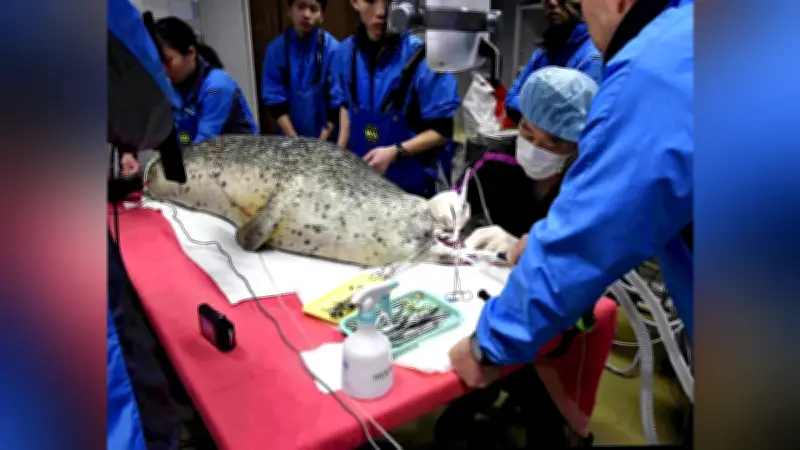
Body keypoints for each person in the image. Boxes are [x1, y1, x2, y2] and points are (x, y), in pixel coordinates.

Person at [448, 0, 693, 394]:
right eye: (527, 133)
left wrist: (488, 347)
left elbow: (587, 244)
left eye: (554, 140)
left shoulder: (656, 72)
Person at [430, 66, 598, 242]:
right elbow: (463, 195)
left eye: (553, 142)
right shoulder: (497, 161)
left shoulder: (588, 185)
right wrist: (447, 203)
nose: (534, 148)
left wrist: (524, 251)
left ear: (579, 144)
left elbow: (591, 256)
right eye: (527, 133)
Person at [332, 0, 461, 199]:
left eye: (390, 1)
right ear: (355, 2)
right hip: (362, 185)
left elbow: (442, 131)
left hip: (411, 191)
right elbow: (346, 106)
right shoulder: (344, 54)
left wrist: (395, 152)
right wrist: (338, 153)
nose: (382, 12)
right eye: (371, 1)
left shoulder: (425, 58)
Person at [156, 17, 258, 148]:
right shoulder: (172, 85)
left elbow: (204, 143)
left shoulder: (217, 85)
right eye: (159, 63)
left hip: (240, 159)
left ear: (191, 53)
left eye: (168, 61)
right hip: (203, 159)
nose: (163, 70)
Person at [505, 0, 603, 125]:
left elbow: (572, 119)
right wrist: (547, 112)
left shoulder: (592, 57)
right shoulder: (543, 53)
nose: (551, 2)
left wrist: (532, 108)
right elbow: (511, 99)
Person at [262, 0, 341, 140]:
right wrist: (296, 141)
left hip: (328, 138)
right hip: (290, 139)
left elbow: (337, 102)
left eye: (313, 9)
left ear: (322, 15)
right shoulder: (275, 50)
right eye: (301, 6)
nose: (306, 14)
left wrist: (320, 143)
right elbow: (274, 101)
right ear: (289, 10)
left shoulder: (334, 50)